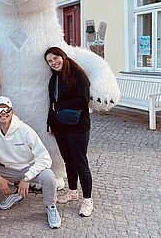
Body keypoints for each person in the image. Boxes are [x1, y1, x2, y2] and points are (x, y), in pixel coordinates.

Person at [0, 96, 62, 229]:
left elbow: (45, 158)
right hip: (8, 170)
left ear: (12, 111)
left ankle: (51, 206)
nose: (4, 113)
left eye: (7, 109)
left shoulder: (25, 130)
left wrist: (27, 178)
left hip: (28, 168)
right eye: (0, 110)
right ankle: (17, 193)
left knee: (48, 176)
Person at [44, 46, 94, 217]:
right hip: (60, 126)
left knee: (80, 162)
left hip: (78, 126)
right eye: (50, 61)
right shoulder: (54, 78)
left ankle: (88, 200)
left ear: (62, 56)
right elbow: (52, 103)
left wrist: (61, 105)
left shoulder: (78, 75)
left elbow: (83, 100)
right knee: (68, 161)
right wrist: (50, 122)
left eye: (55, 58)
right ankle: (73, 191)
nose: (53, 63)